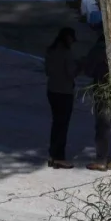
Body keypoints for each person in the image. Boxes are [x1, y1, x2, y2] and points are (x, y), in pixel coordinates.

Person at [44, 27, 80, 169]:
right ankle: (59, 157)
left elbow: (47, 71)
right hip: (64, 92)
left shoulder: (50, 51)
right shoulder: (67, 53)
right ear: (68, 38)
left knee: (56, 123)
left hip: (52, 90)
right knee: (62, 125)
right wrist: (79, 66)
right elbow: (71, 72)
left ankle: (52, 155)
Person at [84, 29, 111, 170]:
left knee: (103, 126)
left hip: (103, 91)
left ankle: (101, 160)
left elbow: (88, 70)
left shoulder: (98, 49)